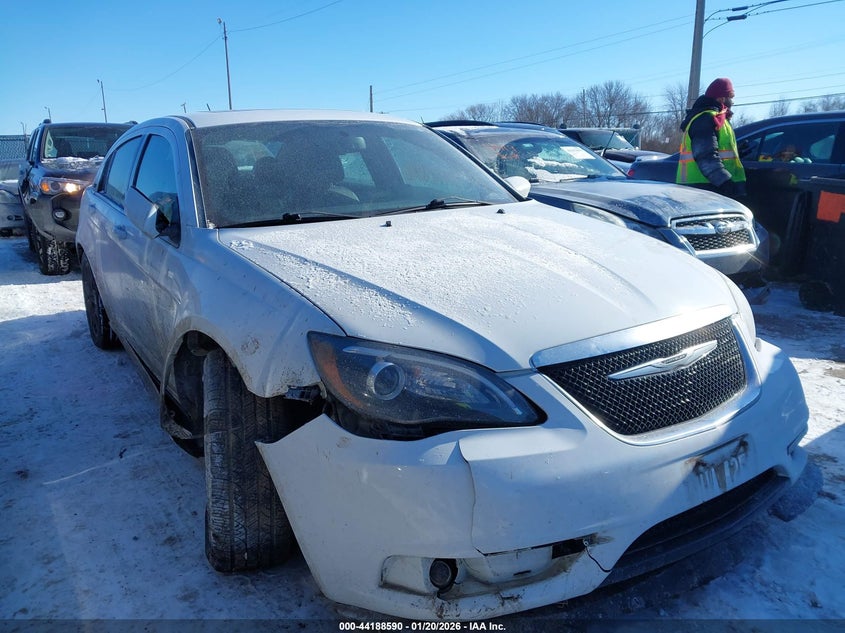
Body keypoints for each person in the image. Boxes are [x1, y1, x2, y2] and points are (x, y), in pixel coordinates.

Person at [676, 77, 746, 198]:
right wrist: (725, 183)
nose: (733, 102)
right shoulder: (705, 119)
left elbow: (715, 149)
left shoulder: (717, 118)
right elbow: (706, 156)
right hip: (704, 190)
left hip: (709, 187)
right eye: (731, 97)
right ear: (721, 98)